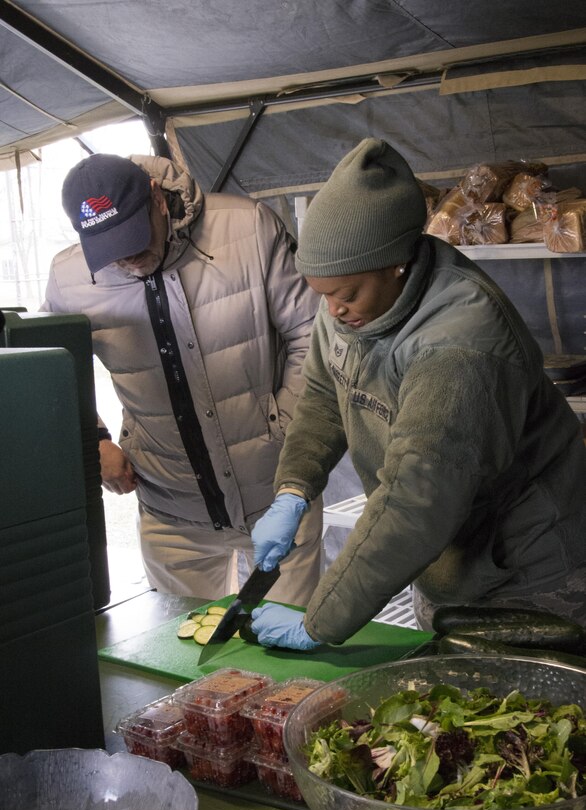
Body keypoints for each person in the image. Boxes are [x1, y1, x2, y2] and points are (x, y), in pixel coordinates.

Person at [249, 137, 586, 649]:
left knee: (523, 718)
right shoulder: (348, 299)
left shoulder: (461, 343)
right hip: (445, 557)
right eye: (323, 295)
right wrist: (294, 488)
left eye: (345, 294)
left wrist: (322, 620)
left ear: (395, 263)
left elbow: (416, 500)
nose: (334, 311)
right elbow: (323, 392)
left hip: (526, 574)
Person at [42, 152, 323, 605]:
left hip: (274, 493)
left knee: (288, 657)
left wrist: (285, 427)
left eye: (134, 240)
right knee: (181, 663)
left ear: (156, 197)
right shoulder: (69, 278)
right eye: (111, 252)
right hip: (169, 510)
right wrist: (92, 439)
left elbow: (311, 332)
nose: (130, 260)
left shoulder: (248, 228)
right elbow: (55, 374)